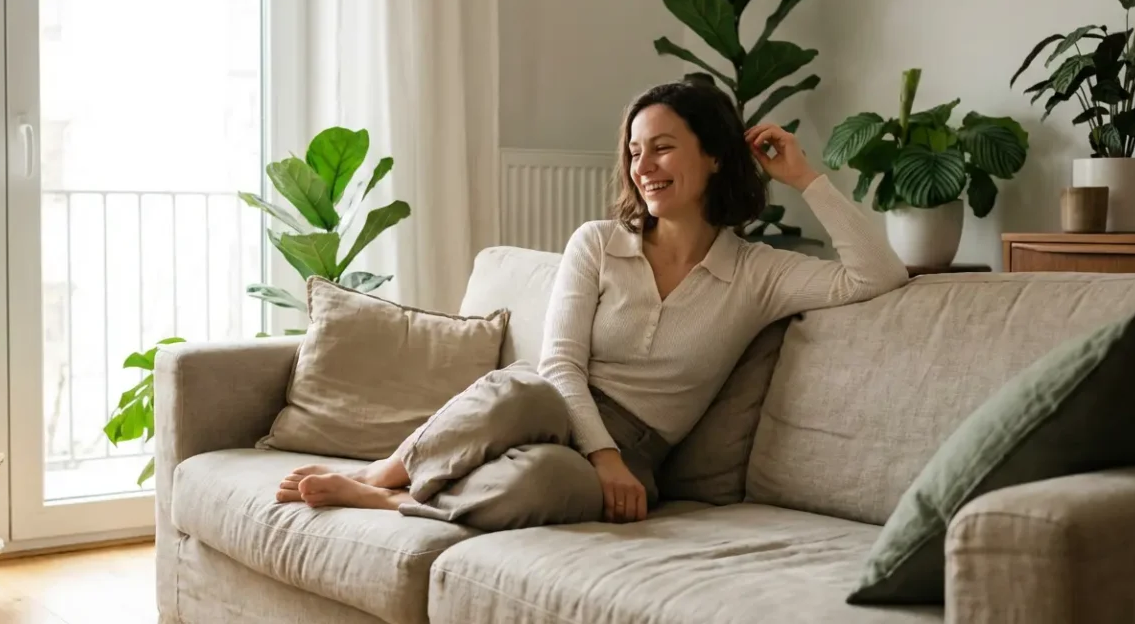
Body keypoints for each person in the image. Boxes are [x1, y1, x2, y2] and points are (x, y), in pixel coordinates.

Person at [275, 79, 910, 528]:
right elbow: (559, 367)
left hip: (640, 448)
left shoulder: (758, 273)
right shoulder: (600, 244)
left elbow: (877, 275)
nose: (643, 166)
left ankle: (393, 506)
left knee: (539, 483)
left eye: (662, 147)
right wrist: (600, 454)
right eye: (635, 151)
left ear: (714, 156)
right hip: (556, 400)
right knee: (516, 391)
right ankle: (382, 475)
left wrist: (805, 177)